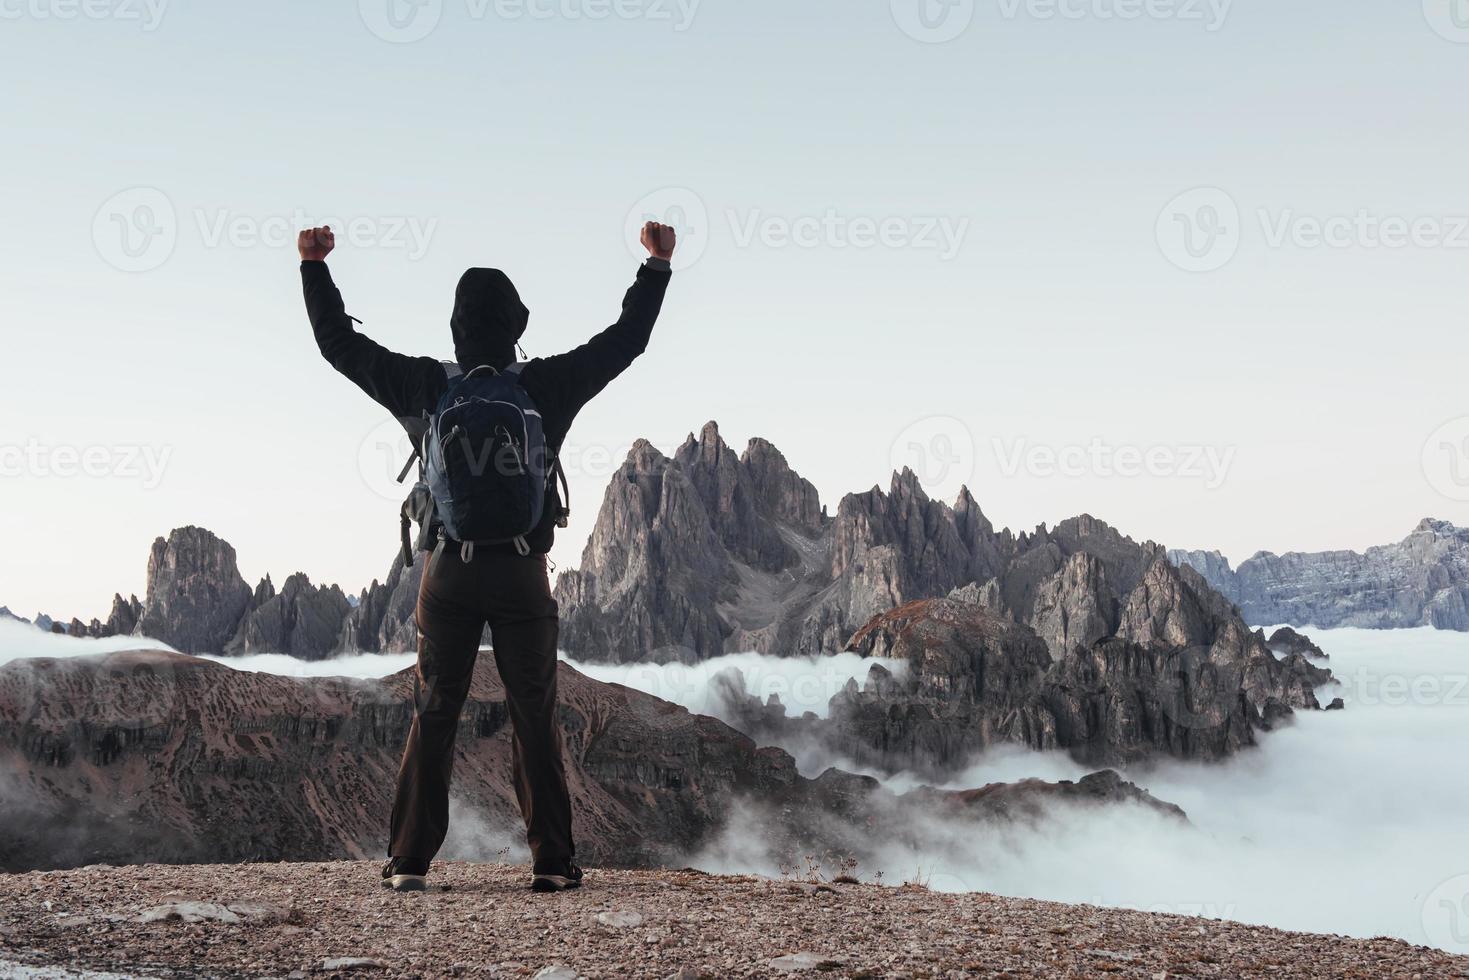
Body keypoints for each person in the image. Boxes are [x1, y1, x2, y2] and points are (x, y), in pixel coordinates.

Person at [298, 219, 676, 893]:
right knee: (534, 713)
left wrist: (315, 266)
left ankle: (409, 861)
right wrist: (655, 266)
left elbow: (338, 346)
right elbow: (627, 342)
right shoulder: (547, 386)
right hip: (523, 574)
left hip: (446, 571)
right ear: (515, 323)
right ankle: (553, 863)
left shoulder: (424, 386)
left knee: (434, 708)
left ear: (455, 327)